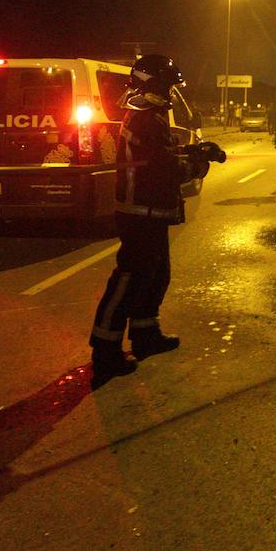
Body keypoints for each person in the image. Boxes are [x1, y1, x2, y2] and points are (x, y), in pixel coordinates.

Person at [89, 55, 225, 388]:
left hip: (151, 209)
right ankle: (104, 351)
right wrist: (197, 163)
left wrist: (195, 151)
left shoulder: (150, 115)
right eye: (167, 85)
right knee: (130, 278)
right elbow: (162, 166)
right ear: (153, 84)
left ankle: (145, 334)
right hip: (140, 211)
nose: (171, 92)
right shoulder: (143, 116)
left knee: (155, 275)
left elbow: (161, 156)